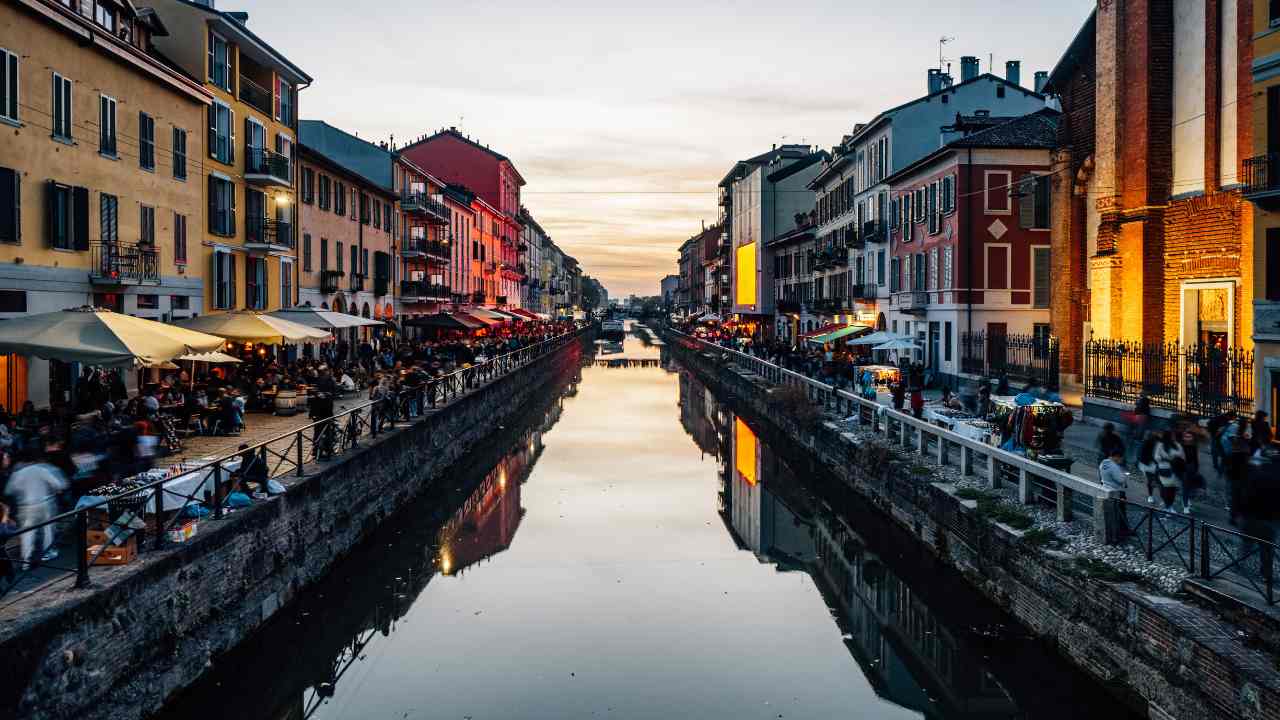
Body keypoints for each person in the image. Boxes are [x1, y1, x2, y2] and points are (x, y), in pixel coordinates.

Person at [4, 446, 69, 567]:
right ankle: (47, 552)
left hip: (25, 506)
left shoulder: (18, 473)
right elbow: (58, 484)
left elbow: (9, 490)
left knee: (27, 533)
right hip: (43, 503)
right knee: (47, 529)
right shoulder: (40, 470)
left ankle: (26, 560)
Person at [1153, 431, 1186, 511]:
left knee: (1173, 489)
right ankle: (1167, 506)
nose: (1173, 437)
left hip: (1176, 470)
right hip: (1165, 469)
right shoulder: (1160, 445)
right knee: (1167, 488)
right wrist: (1167, 459)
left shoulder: (1177, 445)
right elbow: (1156, 457)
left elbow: (1183, 457)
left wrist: (1176, 459)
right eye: (1172, 435)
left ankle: (1170, 506)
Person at [1137, 432, 1160, 505]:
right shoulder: (1145, 444)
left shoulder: (1157, 444)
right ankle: (1150, 495)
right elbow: (1141, 456)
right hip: (1147, 464)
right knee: (1150, 480)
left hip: (1153, 464)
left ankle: (1151, 493)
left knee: (1153, 480)